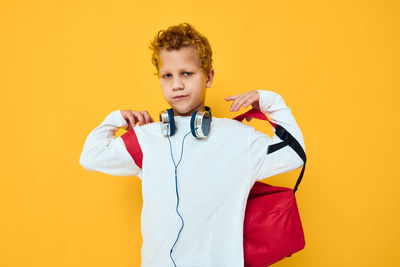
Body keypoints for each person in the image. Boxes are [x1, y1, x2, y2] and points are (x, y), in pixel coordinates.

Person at [79, 22, 306, 267]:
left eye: (186, 73)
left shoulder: (238, 138)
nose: (176, 84)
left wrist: (271, 102)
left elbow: (294, 154)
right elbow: (90, 157)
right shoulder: (146, 139)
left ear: (208, 77)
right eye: (168, 75)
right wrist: (114, 120)